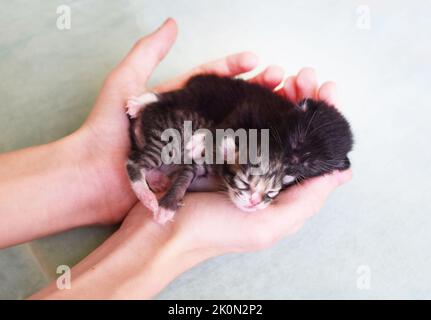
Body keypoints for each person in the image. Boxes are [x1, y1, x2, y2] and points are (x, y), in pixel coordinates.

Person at [0, 18, 351, 299]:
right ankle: (154, 112)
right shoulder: (255, 130)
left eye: (302, 165)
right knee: (191, 110)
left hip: (195, 140)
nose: (291, 160)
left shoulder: (272, 159)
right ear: (299, 111)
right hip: (204, 110)